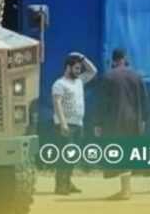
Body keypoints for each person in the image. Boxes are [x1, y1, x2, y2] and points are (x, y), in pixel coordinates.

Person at [93, 48, 150, 200]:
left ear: (113, 60)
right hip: (133, 121)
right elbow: (144, 99)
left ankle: (125, 191)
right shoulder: (136, 76)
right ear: (125, 58)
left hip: (114, 122)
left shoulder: (108, 76)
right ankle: (126, 189)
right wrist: (144, 120)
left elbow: (102, 102)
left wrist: (98, 123)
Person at [52, 52, 97, 195]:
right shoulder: (59, 84)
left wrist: (82, 58)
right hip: (66, 125)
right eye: (76, 68)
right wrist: (63, 123)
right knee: (64, 156)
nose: (79, 71)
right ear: (68, 67)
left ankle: (68, 182)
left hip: (78, 124)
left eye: (80, 69)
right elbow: (57, 103)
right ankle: (60, 186)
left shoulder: (79, 81)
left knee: (73, 156)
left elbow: (93, 71)